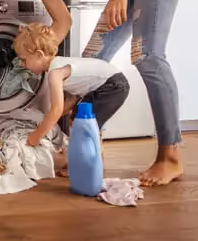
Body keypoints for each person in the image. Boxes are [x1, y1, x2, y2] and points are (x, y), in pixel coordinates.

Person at [0, 0, 185, 186]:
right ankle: (89, 151)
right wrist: (36, 52)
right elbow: (62, 23)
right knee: (87, 68)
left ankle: (170, 156)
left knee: (147, 57)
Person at [14, 23, 130, 174]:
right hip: (109, 83)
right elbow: (69, 101)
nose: (23, 64)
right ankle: (88, 164)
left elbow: (56, 110)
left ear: (39, 55)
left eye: (24, 59)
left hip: (112, 86)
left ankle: (89, 166)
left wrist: (37, 135)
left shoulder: (55, 73)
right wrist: (44, 122)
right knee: (77, 120)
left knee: (85, 126)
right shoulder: (59, 64)